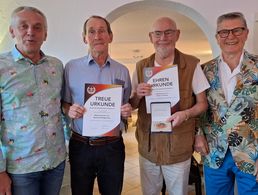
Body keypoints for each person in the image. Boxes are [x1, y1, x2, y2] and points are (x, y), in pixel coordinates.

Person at [129, 16, 209, 195]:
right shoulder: (141, 66)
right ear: (151, 37)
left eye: (168, 32)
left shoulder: (192, 65)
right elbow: (132, 105)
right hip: (148, 147)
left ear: (177, 35)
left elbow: (203, 104)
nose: (163, 38)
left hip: (178, 147)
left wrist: (186, 114)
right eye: (158, 33)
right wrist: (138, 95)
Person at [0, 6, 67, 195]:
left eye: (38, 27)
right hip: (21, 168)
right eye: (24, 26)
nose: (31, 32)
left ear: (45, 34)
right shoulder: (1, 67)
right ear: (12, 31)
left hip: (56, 160)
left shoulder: (56, 66)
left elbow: (61, 107)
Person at [62, 15, 132, 195]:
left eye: (102, 31)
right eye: (91, 31)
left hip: (112, 147)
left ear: (110, 36)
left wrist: (127, 110)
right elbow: (64, 103)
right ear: (84, 37)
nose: (97, 36)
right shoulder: (71, 67)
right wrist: (68, 109)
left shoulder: (122, 71)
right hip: (81, 146)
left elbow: (126, 106)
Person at [194, 12, 258, 195]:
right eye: (224, 32)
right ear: (217, 37)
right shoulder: (203, 70)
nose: (230, 36)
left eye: (237, 30)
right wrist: (197, 134)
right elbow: (197, 106)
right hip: (214, 152)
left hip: (252, 153)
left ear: (246, 33)